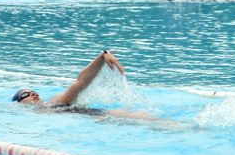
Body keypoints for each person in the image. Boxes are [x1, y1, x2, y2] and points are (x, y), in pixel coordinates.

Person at [12, 50, 157, 120]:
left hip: (100, 115)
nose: (33, 94)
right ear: (19, 103)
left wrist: (102, 56)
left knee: (142, 117)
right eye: (26, 94)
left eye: (34, 92)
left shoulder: (54, 102)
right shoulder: (25, 115)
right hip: (97, 121)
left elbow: (80, 82)